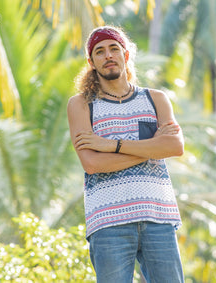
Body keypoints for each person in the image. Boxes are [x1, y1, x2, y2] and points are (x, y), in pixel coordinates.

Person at [67, 25, 185, 283]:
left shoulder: (156, 99)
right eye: (99, 51)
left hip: (158, 217)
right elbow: (92, 164)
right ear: (91, 62)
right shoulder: (81, 105)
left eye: (114, 49)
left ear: (126, 55)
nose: (108, 55)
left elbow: (175, 147)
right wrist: (153, 147)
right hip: (108, 221)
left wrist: (112, 145)